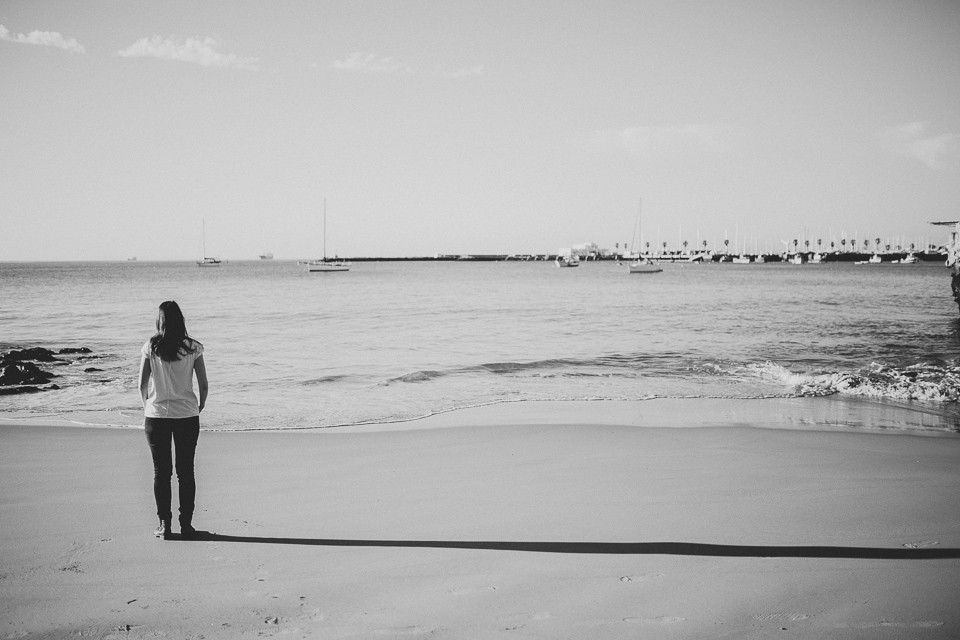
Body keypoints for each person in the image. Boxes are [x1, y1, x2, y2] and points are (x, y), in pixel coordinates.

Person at [139, 301, 208, 540]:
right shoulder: (193, 348)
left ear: (160, 321)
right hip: (187, 415)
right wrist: (200, 404)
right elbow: (203, 384)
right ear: (181, 320)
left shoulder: (151, 346)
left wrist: (147, 405)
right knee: (185, 471)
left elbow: (141, 384)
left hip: (156, 415)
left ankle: (165, 524)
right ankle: (186, 525)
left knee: (162, 472)